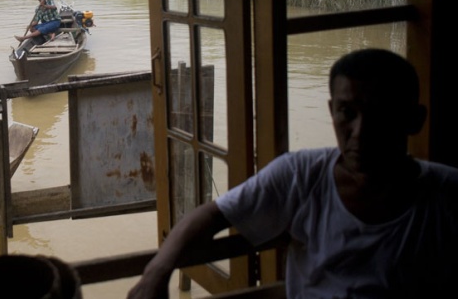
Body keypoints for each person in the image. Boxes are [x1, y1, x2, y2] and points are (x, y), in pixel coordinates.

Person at [127, 48, 458, 298]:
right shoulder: (301, 174)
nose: (360, 131)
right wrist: (156, 272)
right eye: (347, 112)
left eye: (380, 114)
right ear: (331, 111)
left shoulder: (445, 195)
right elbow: (212, 215)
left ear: (414, 119)